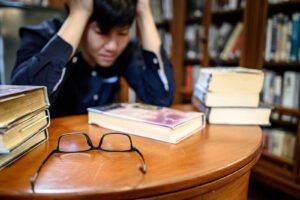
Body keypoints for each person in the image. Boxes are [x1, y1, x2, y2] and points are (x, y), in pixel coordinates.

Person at [11, 0, 174, 117]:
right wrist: (80, 13)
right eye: (101, 32)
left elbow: (160, 98)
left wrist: (144, 12)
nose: (112, 46)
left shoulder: (125, 51)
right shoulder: (41, 37)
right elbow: (21, 104)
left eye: (122, 33)